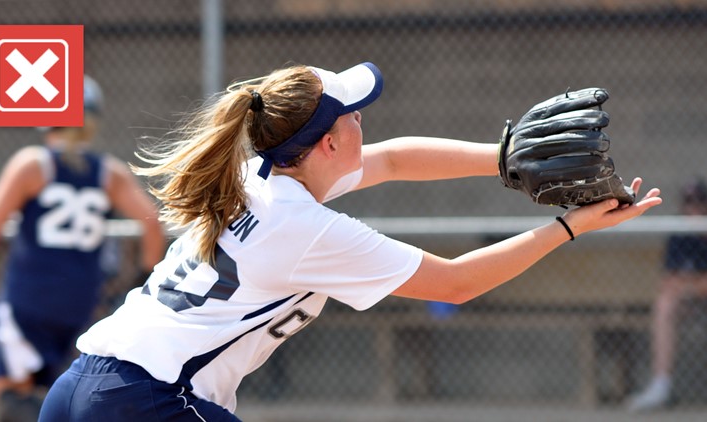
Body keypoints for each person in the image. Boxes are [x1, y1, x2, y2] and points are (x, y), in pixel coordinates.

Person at [38, 62, 662, 421]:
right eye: (353, 116)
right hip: (145, 400)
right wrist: (569, 228)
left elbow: (391, 161)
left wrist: (502, 159)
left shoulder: (263, 178)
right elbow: (456, 283)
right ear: (328, 144)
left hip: (80, 389)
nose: (365, 123)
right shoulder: (302, 228)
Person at [0, 75, 166, 422]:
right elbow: (151, 221)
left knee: (8, 390)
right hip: (81, 298)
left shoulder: (33, 164)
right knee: (63, 390)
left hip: (30, 296)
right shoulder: (108, 172)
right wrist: (144, 275)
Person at [627, 177, 707, 412]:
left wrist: (689, 282)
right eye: (689, 203)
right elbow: (668, 283)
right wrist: (695, 284)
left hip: (692, 293)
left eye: (699, 203)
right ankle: (661, 386)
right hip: (691, 301)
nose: (694, 209)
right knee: (665, 305)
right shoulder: (680, 234)